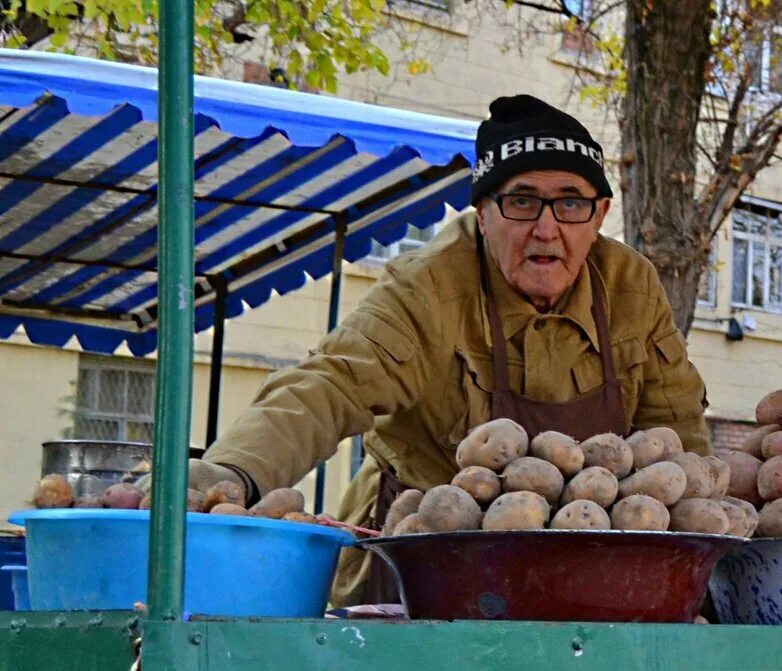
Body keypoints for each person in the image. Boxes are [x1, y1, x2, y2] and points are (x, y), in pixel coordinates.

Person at [168, 94, 710, 606]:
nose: (547, 229)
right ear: (484, 210)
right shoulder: (427, 284)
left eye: (571, 203)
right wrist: (230, 474)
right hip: (417, 552)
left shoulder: (631, 287)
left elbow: (675, 428)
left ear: (599, 213)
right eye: (522, 202)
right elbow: (329, 384)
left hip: (582, 564)